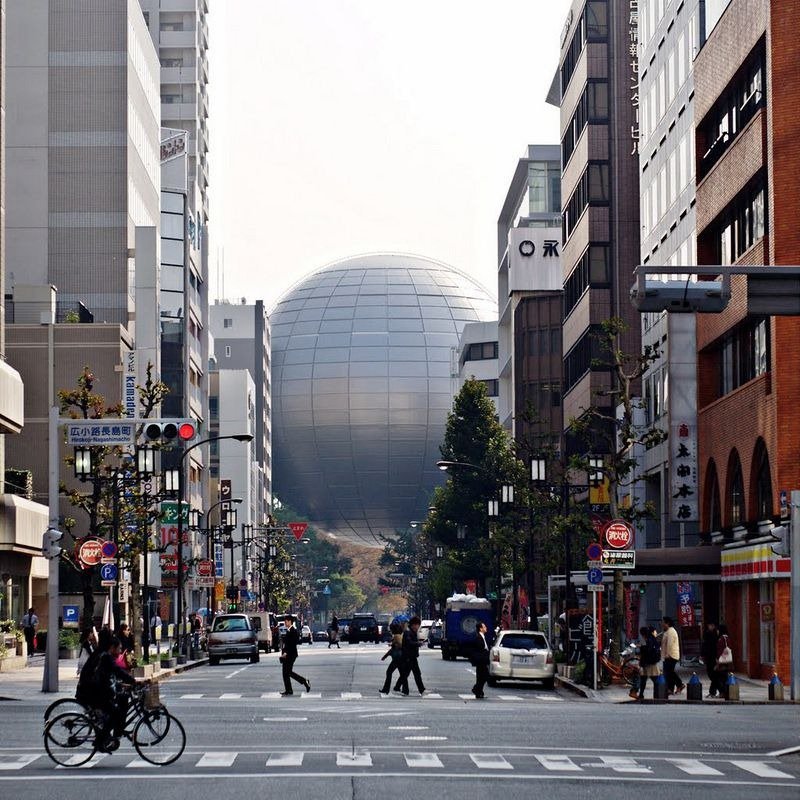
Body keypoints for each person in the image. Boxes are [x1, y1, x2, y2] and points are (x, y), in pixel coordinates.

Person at [395, 616, 426, 696]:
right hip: (408, 656)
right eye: (417, 625)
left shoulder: (412, 631)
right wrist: (418, 644)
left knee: (408, 674)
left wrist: (418, 643)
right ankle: (420, 690)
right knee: (414, 674)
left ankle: (398, 687)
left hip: (411, 656)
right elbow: (409, 643)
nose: (418, 627)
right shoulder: (408, 632)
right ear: (413, 624)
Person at [280, 617, 311, 695]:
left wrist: (286, 653)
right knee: (286, 673)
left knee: (287, 672)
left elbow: (292, 644)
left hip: (290, 654)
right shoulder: (289, 630)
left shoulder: (293, 631)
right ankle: (289, 690)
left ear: (290, 622)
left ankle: (304, 681)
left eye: (286, 621)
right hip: (288, 654)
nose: (285, 623)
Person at [634, 626, 661, 701]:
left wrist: (642, 648)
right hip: (651, 661)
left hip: (649, 662)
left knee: (653, 679)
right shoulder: (652, 638)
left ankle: (656, 694)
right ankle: (642, 694)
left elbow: (647, 651)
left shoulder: (648, 640)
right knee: (644, 679)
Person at [660, 616, 685, 695]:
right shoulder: (667, 631)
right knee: (669, 673)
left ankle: (679, 684)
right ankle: (671, 688)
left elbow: (670, 644)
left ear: (667, 623)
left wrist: (668, 654)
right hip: (668, 655)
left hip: (671, 656)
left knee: (669, 672)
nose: (662, 624)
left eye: (663, 622)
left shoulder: (671, 631)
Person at [379, 623, 404, 694]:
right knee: (403, 674)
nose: (390, 631)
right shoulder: (399, 635)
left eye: (391, 629)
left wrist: (393, 644)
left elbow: (400, 645)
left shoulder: (396, 636)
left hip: (397, 658)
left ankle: (386, 689)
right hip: (399, 658)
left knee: (389, 672)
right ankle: (403, 689)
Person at [701, 621, 722, 698]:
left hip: (713, 657)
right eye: (709, 625)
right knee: (712, 675)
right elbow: (704, 645)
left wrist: (717, 658)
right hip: (708, 657)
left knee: (713, 675)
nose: (709, 626)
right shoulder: (707, 633)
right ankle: (720, 691)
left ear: (713, 625)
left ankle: (716, 691)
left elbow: (716, 647)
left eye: (710, 625)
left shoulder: (716, 635)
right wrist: (702, 655)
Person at [471, 621, 490, 699]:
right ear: (481, 629)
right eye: (484, 627)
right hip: (480, 660)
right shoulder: (478, 637)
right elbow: (479, 649)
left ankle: (478, 691)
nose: (486, 628)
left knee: (482, 676)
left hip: (483, 660)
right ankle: (477, 690)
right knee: (483, 676)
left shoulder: (482, 637)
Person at [716, 624, 734, 698]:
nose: (717, 631)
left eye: (718, 630)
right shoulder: (727, 638)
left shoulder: (721, 639)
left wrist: (717, 658)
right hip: (727, 660)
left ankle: (722, 692)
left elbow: (720, 650)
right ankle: (725, 692)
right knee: (725, 676)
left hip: (723, 660)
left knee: (720, 677)